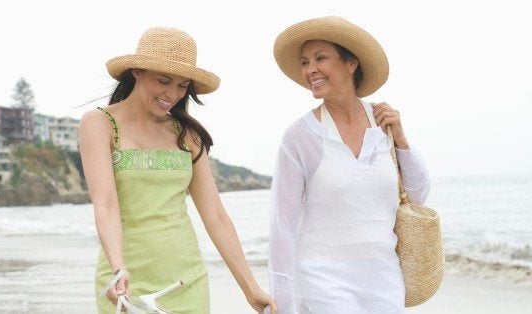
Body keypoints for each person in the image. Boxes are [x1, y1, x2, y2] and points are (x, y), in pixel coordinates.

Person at [80, 27, 277, 314]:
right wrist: (116, 268)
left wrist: (250, 287)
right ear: (137, 71)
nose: (172, 94)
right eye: (163, 81)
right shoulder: (99, 124)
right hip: (124, 283)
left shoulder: (187, 134)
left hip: (186, 280)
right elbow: (106, 205)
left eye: (182, 85)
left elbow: (216, 216)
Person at [268, 16, 431, 313]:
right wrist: (280, 300)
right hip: (322, 278)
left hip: (384, 278)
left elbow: (418, 196)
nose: (310, 70)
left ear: (350, 63)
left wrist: (402, 139)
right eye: (305, 62)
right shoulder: (299, 137)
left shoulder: (384, 123)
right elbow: (283, 221)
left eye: (320, 58)